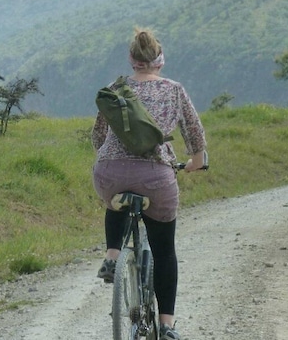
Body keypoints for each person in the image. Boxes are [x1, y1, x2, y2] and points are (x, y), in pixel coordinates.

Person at [91, 26, 208, 340]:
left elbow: (98, 137)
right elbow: (194, 133)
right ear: (159, 59)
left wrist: (112, 162)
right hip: (156, 177)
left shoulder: (115, 88)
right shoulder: (173, 89)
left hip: (109, 173)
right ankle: (167, 326)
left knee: (115, 198)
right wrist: (196, 161)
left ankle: (112, 257)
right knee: (164, 250)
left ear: (131, 59)